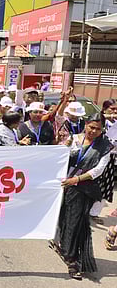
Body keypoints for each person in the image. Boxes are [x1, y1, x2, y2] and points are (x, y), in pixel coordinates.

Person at [51, 113, 113, 280]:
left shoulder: (105, 146)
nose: (93, 131)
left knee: (75, 221)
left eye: (98, 129)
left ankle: (72, 260)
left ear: (102, 130)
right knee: (63, 217)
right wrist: (63, 145)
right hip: (64, 184)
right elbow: (61, 157)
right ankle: (62, 244)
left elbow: (98, 170)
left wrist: (76, 180)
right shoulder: (75, 138)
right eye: (91, 127)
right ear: (86, 124)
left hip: (83, 188)